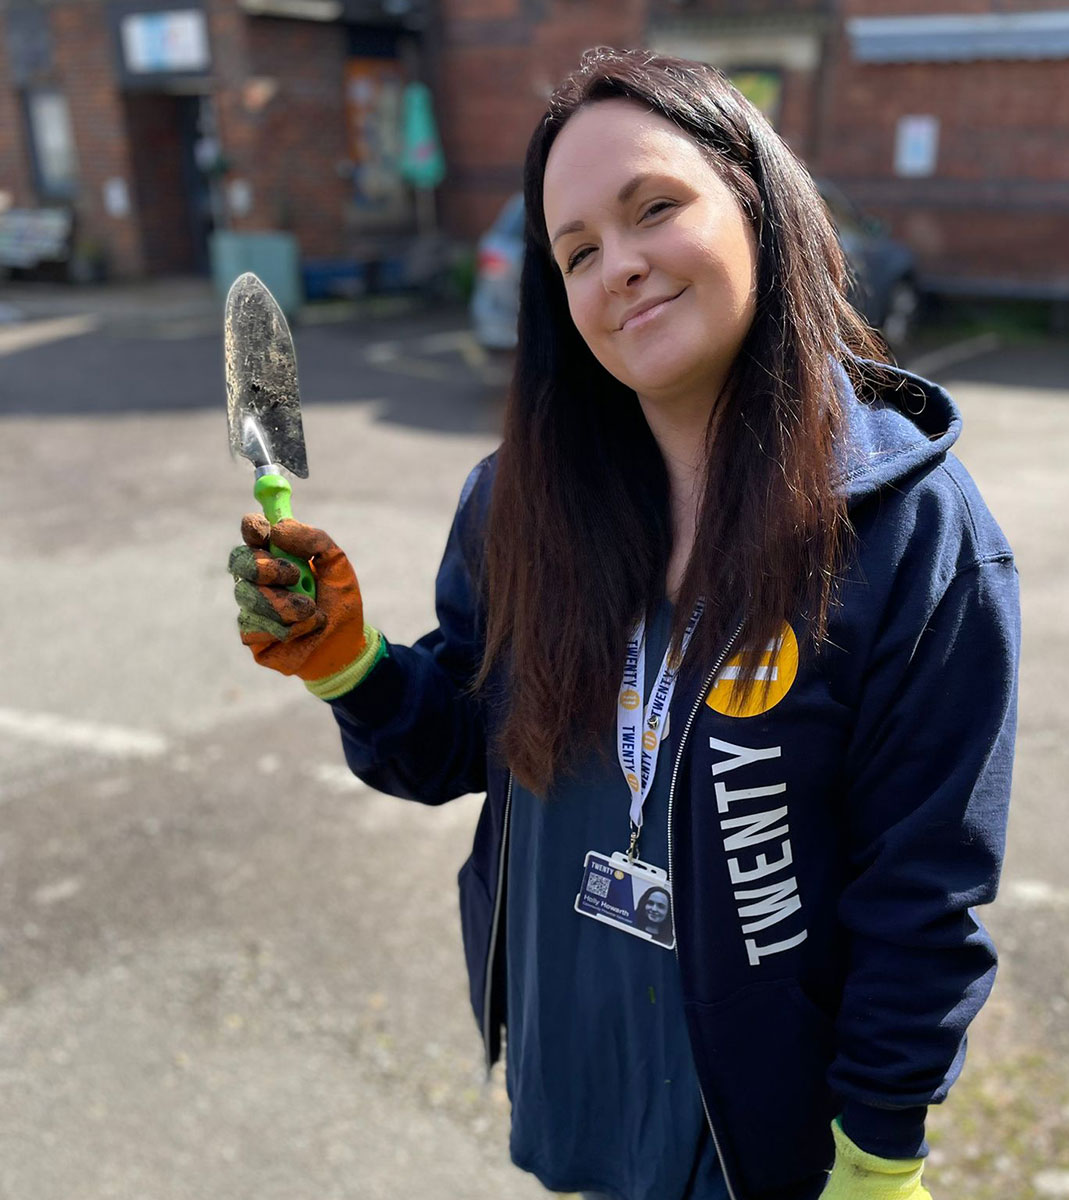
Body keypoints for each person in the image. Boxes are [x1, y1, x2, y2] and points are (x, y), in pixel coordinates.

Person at [228, 47, 1020, 1200]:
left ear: (759, 207)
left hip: (764, 1127)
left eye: (655, 208)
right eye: (578, 251)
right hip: (578, 1070)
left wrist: (881, 1153)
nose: (621, 268)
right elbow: (467, 739)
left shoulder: (913, 534)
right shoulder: (520, 500)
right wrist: (351, 665)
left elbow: (925, 885)